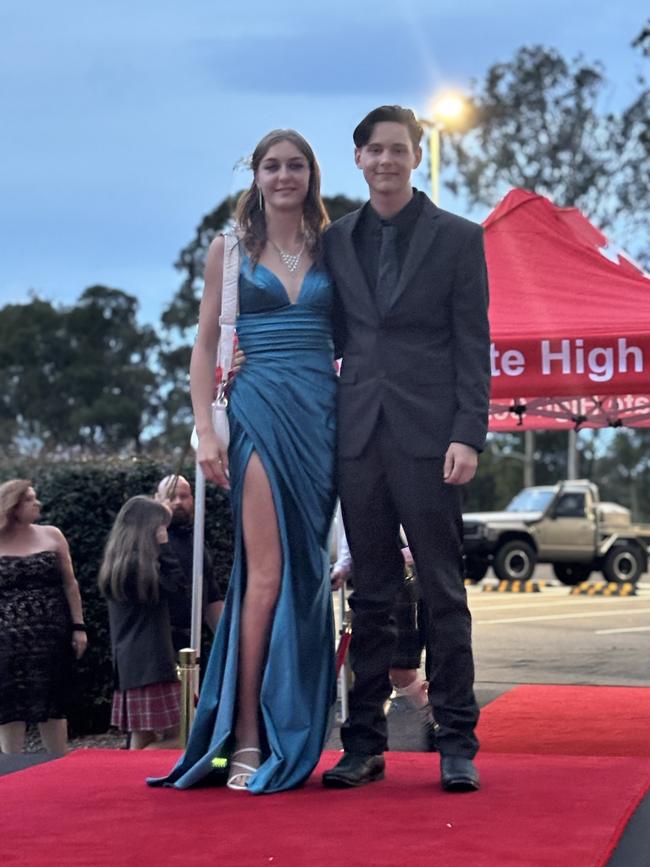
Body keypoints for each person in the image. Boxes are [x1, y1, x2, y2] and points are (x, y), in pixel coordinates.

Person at [150, 129, 337, 793]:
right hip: (256, 410)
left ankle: (303, 725)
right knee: (267, 569)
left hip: (322, 418)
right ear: (255, 175)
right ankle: (247, 736)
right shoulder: (227, 251)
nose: (284, 175)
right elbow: (204, 346)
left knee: (311, 575)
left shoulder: (335, 247)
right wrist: (206, 429)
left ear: (312, 175)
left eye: (296, 165)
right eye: (272, 165)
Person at [321, 105, 490, 793]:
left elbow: (473, 343)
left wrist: (467, 433)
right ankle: (362, 744)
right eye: (374, 150)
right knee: (371, 598)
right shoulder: (336, 241)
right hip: (357, 436)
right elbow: (329, 336)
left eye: (399, 149)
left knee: (443, 593)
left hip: (432, 439)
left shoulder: (459, 238)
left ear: (416, 156)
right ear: (358, 158)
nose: (386, 160)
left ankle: (457, 742)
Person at [0, 479, 87, 756]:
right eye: (29, 499)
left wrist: (79, 627)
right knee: (11, 705)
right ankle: (10, 770)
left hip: (51, 636)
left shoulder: (52, 535)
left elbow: (70, 583)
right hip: (7, 640)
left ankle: (58, 762)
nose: (37, 503)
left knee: (54, 703)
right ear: (12, 506)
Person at [98, 496, 186, 750]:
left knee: (143, 736)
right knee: (180, 737)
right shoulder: (140, 568)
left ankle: (135, 779)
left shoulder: (119, 564)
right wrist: (166, 547)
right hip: (152, 662)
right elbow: (177, 587)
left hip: (130, 664)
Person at [155, 475, 224, 653]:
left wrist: (226, 642)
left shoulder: (198, 541)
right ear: (158, 499)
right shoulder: (147, 541)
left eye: (184, 496)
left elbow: (211, 597)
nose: (178, 502)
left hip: (194, 644)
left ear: (192, 499)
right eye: (171, 496)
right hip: (158, 645)